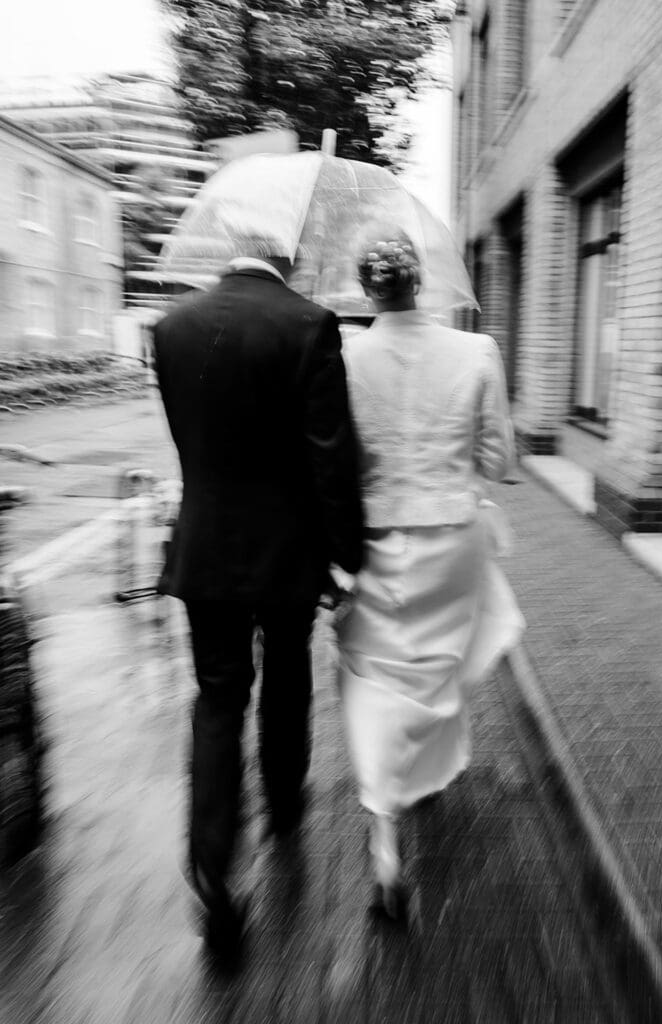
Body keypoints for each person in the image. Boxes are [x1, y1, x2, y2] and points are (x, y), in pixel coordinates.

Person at [153, 242, 364, 960]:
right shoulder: (310, 324)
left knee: (216, 700)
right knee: (287, 670)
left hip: (205, 545)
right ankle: (282, 801)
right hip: (287, 548)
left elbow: (190, 441)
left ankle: (213, 877)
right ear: (289, 254)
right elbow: (329, 453)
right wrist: (348, 555)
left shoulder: (172, 325)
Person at [336, 230, 525, 918]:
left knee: (375, 672)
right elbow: (500, 458)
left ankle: (385, 844)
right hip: (452, 538)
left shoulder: (345, 358)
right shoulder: (475, 351)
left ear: (366, 289)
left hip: (377, 537)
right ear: (421, 281)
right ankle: (429, 773)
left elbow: (339, 460)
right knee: (436, 667)